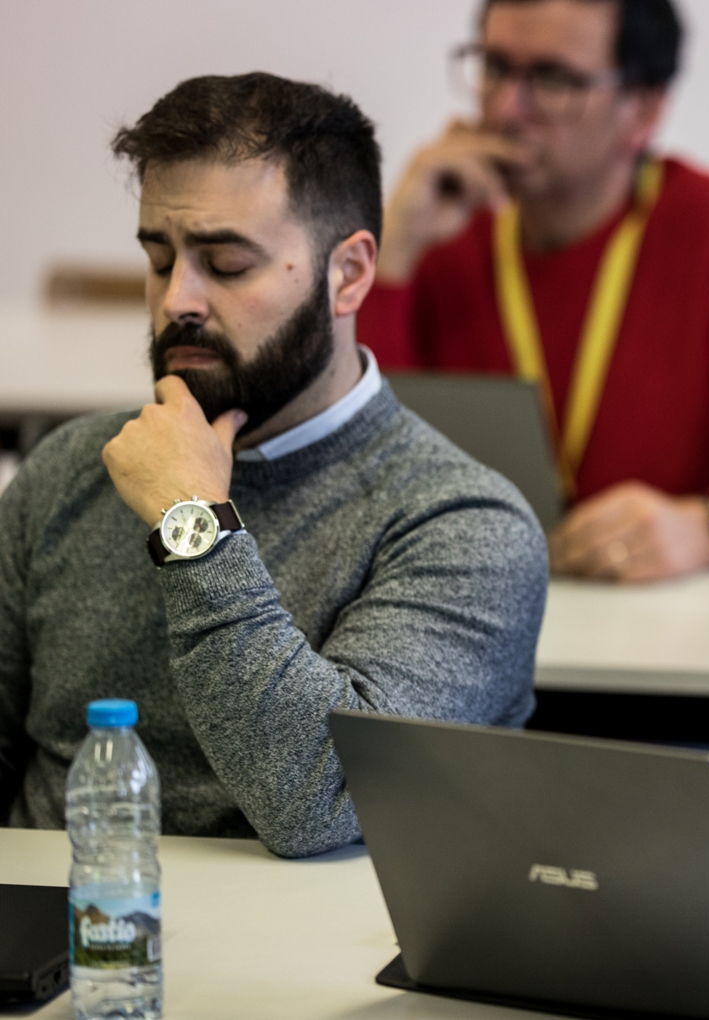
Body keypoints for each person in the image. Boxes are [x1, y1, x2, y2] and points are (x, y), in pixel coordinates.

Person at [0, 74, 546, 858]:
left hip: (301, 968)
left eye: (225, 265)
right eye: (160, 259)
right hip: (63, 938)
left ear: (350, 273)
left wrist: (192, 524)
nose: (176, 301)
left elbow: (319, 799)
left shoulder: (462, 525)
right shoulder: (72, 468)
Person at [360, 0, 709, 583]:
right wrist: (389, 254)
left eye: (554, 80)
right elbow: (364, 466)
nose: (505, 109)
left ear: (645, 110)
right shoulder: (439, 235)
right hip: (484, 612)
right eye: (497, 67)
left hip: (675, 631)